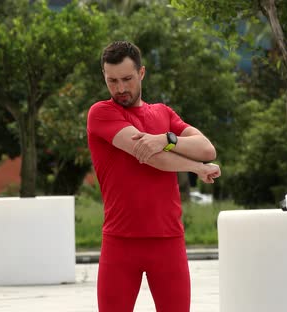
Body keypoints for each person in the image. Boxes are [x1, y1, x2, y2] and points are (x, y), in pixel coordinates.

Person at [86, 41, 221, 312]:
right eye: (112, 80)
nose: (120, 88)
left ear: (142, 73)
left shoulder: (163, 114)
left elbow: (207, 148)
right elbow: (149, 156)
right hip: (120, 243)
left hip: (168, 241)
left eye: (127, 79)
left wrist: (167, 138)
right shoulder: (101, 113)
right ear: (104, 76)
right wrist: (197, 168)